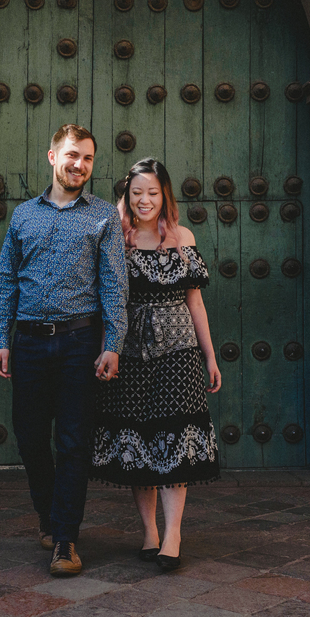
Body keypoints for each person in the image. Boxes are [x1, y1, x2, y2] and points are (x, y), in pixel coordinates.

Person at [0, 124, 129, 577]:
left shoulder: (103, 216)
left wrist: (113, 343)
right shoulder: (24, 215)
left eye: (88, 158)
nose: (80, 165)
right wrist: (0, 337)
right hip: (29, 342)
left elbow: (113, 285)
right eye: (72, 155)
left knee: (72, 443)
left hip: (78, 343)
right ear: (53, 157)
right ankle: (50, 517)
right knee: (31, 438)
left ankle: (65, 539)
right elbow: (7, 280)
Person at [90, 158, 222, 571]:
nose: (145, 200)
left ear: (164, 194)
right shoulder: (117, 238)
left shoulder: (183, 237)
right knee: (139, 442)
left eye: (152, 192)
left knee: (175, 440)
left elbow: (195, 302)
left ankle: (173, 534)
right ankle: (148, 530)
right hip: (129, 354)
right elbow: (106, 303)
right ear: (126, 197)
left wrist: (210, 355)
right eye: (136, 193)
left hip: (179, 353)